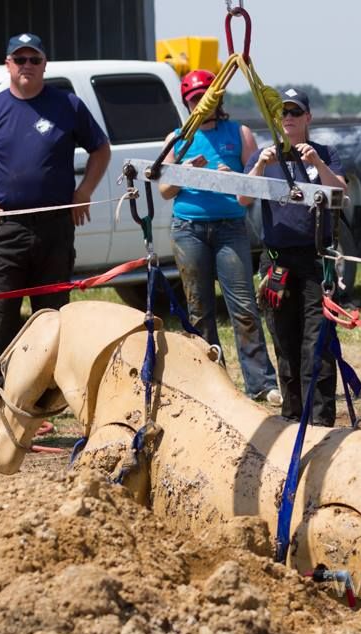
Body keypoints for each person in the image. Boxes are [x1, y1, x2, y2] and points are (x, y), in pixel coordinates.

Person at [0, 33, 110, 422]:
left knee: (53, 314)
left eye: (34, 59)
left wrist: (85, 190)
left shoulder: (68, 105)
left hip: (56, 226)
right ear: (7, 64)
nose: (26, 65)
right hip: (5, 229)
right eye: (19, 59)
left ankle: (51, 394)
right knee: (3, 315)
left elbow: (101, 148)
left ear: (45, 64)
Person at [158, 69, 281, 405]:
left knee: (243, 306)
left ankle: (261, 383)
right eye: (196, 99)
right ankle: (210, 383)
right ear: (188, 103)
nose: (202, 103)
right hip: (189, 228)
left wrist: (236, 178)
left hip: (230, 226)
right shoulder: (178, 137)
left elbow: (251, 190)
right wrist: (187, 172)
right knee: (199, 310)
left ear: (218, 99)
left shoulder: (239, 133)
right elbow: (166, 189)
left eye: (207, 97)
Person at [239, 88, 346, 425]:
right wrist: (259, 164)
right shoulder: (264, 158)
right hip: (278, 264)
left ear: (308, 118)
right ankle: (291, 418)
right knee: (286, 344)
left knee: (317, 344)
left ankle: (320, 423)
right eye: (283, 113)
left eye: (295, 113)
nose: (288, 118)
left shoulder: (325, 154)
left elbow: (339, 193)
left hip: (316, 261)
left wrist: (315, 162)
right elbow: (243, 198)